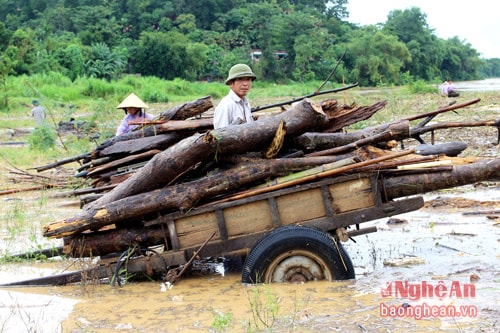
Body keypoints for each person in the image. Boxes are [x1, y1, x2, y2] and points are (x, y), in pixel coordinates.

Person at [213, 64, 257, 129]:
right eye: (240, 79)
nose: (245, 84)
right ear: (231, 83)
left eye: (248, 79)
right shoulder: (226, 105)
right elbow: (220, 135)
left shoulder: (246, 103)